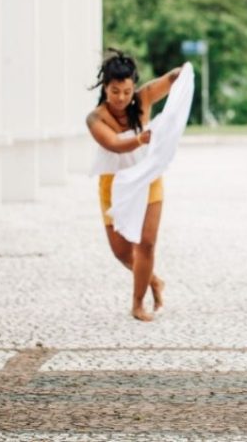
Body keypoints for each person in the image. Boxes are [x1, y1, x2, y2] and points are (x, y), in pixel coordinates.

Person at [86, 50, 183, 322]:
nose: (121, 98)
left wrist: (183, 72)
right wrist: (140, 141)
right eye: (115, 91)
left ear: (133, 87)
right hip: (113, 184)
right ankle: (153, 280)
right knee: (122, 252)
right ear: (105, 88)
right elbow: (113, 144)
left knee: (147, 244)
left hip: (147, 179)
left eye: (126, 91)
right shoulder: (95, 118)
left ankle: (138, 303)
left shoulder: (143, 99)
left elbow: (172, 79)